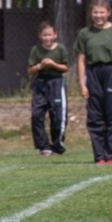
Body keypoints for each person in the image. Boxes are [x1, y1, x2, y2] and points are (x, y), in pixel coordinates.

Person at [74, 0, 112, 165]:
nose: (98, 15)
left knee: (111, 114)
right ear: (91, 14)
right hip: (93, 73)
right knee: (95, 116)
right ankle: (99, 155)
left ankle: (111, 154)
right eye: (95, 12)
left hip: (111, 72)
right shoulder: (85, 33)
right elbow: (81, 60)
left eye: (101, 12)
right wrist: (82, 84)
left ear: (108, 13)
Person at [27, 21, 69, 156]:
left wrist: (53, 64)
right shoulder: (36, 50)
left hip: (56, 82)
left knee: (57, 116)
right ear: (40, 36)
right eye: (44, 35)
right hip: (41, 83)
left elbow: (65, 67)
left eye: (50, 35)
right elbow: (31, 70)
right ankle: (43, 146)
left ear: (55, 35)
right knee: (37, 114)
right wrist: (40, 66)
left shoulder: (60, 49)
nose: (47, 38)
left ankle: (57, 145)